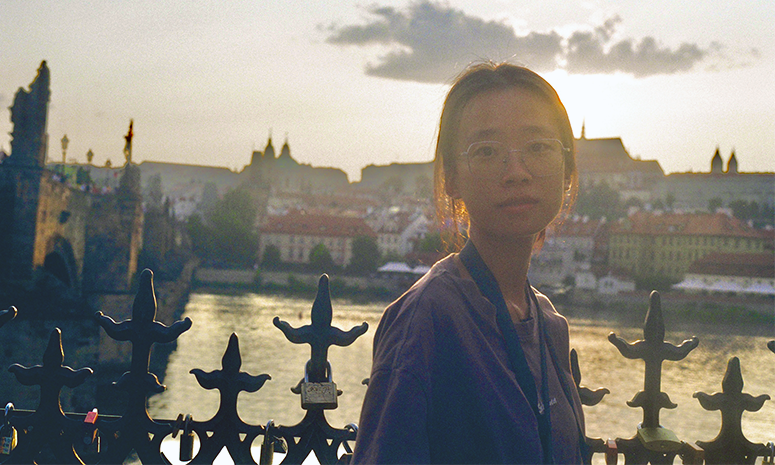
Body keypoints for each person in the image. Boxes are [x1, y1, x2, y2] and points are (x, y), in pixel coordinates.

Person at [350, 62, 585, 465]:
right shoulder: (426, 320)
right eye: (487, 152)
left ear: (567, 171)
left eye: (538, 147)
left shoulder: (549, 324)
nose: (516, 173)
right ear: (452, 178)